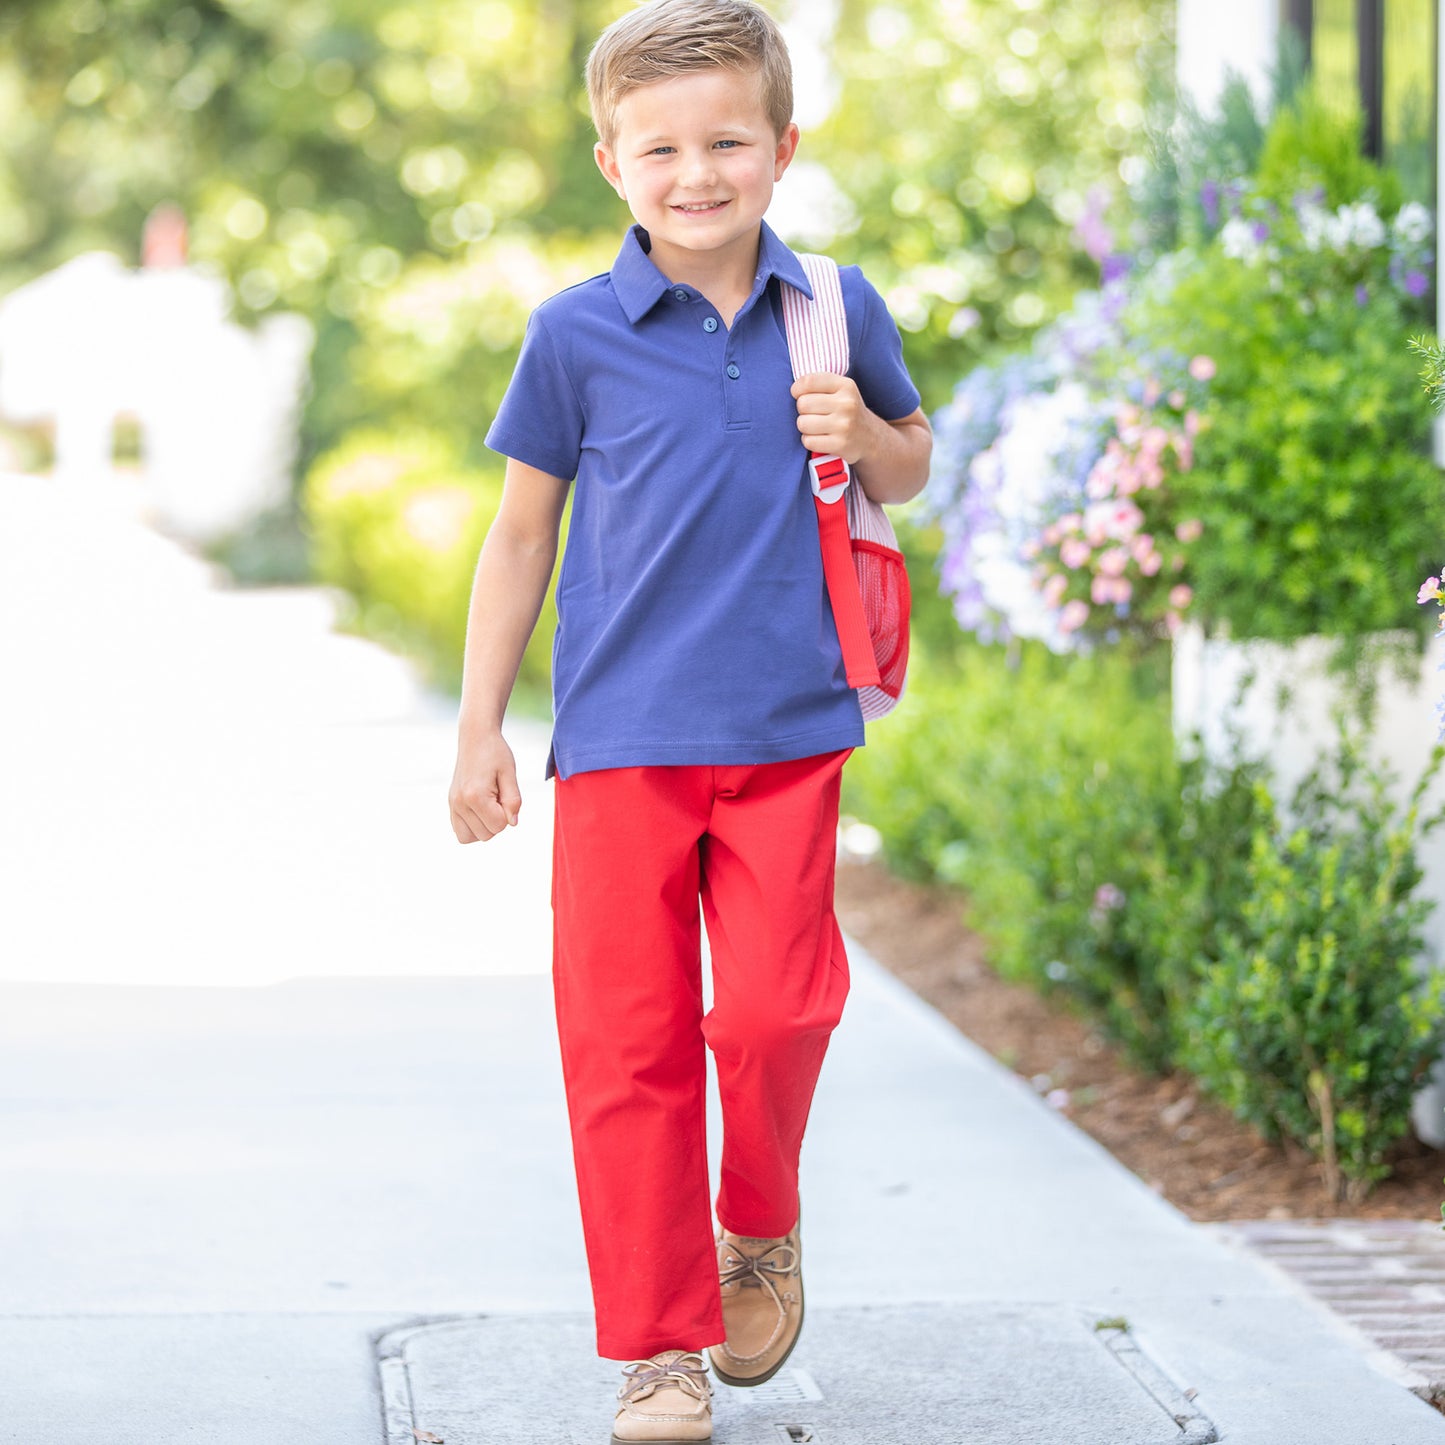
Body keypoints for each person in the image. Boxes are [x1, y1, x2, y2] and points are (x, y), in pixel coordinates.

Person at [447, 1, 930, 1438]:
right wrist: (479, 724)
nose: (696, 172)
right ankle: (658, 1349)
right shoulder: (575, 334)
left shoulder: (830, 310)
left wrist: (870, 435)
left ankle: (759, 1225)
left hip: (788, 734)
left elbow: (908, 468)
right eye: (660, 147)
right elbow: (520, 536)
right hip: (617, 747)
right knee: (627, 1043)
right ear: (611, 161)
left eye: (726, 140)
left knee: (778, 1011)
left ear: (782, 149)